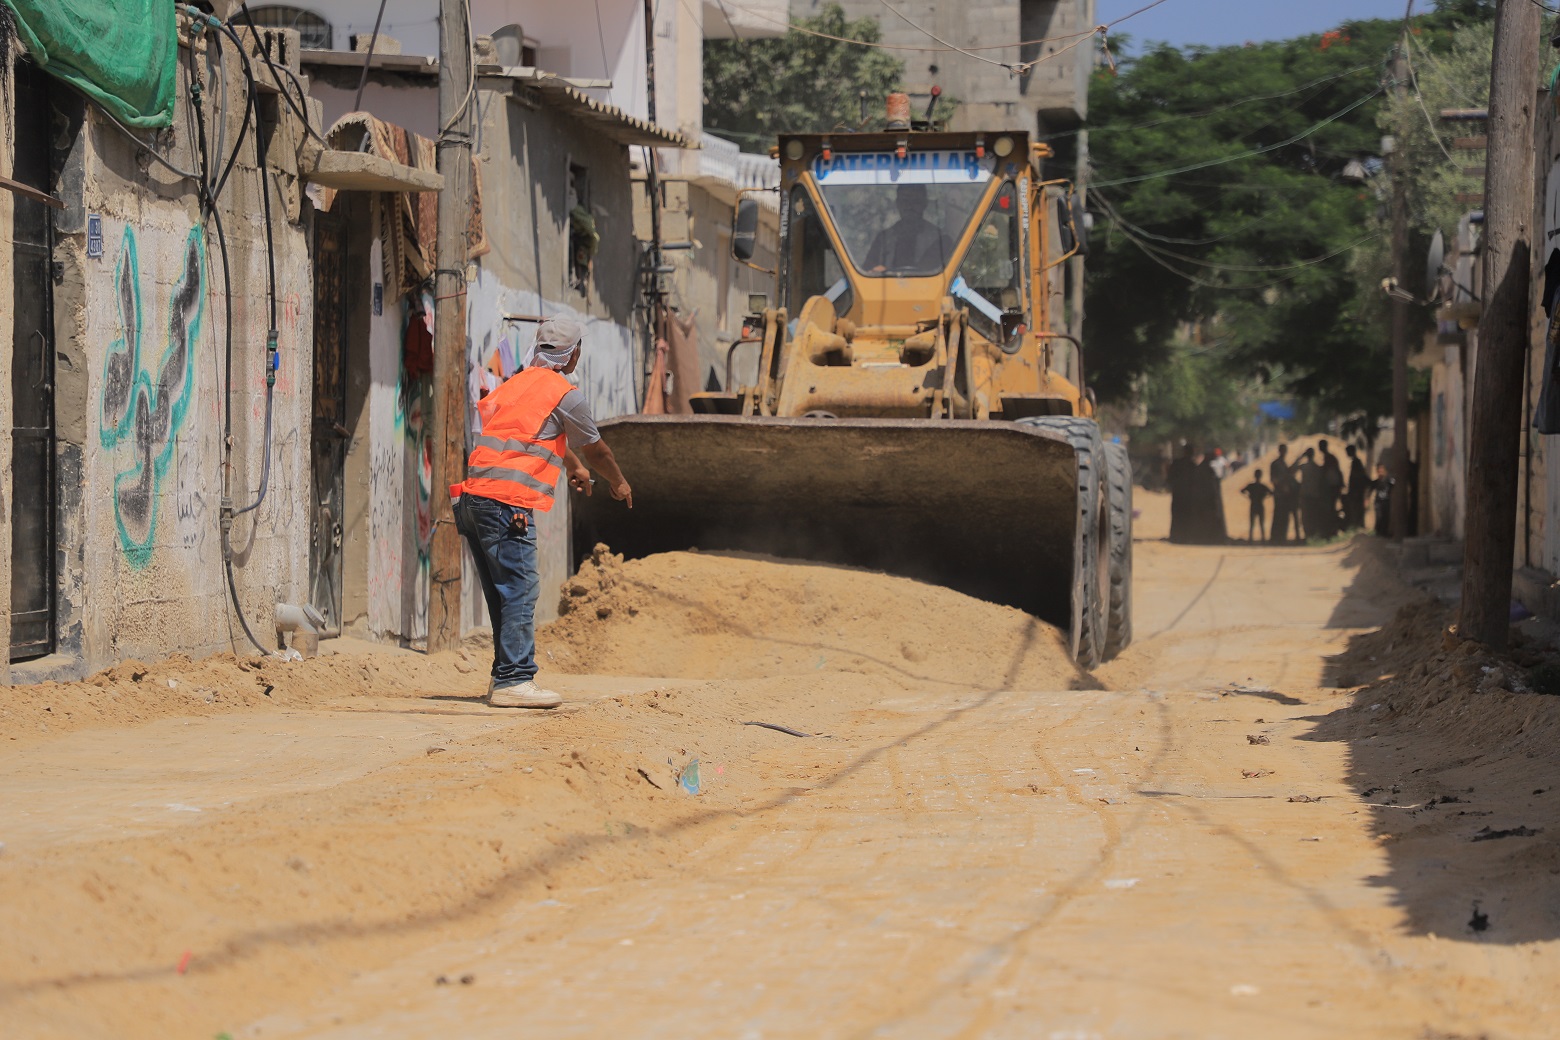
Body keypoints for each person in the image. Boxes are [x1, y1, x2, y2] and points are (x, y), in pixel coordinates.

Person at [451, 317, 633, 709]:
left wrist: (570, 466)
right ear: (574, 353)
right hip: (507, 503)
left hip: (473, 499)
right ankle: (515, 679)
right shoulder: (565, 393)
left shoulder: (516, 383)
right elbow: (597, 450)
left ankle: (504, 676)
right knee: (520, 589)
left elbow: (530, 433)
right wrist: (618, 482)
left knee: (504, 593)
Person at [864, 184, 954, 275]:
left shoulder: (941, 241)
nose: (910, 206)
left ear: (924, 203)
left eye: (916, 201)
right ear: (897, 203)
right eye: (905, 201)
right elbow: (867, 271)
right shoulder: (883, 239)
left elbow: (941, 273)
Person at [1167, 442, 1198, 543]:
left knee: (1178, 516)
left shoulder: (1177, 463)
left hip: (1179, 495)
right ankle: (1185, 536)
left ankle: (1176, 536)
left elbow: (1170, 478)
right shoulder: (1192, 465)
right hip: (1187, 496)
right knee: (1186, 516)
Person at [1296, 448, 1325, 542]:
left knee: (1306, 517)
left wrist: (1300, 457)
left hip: (1305, 495)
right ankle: (1313, 536)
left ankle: (1308, 536)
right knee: (1313, 516)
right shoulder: (1317, 467)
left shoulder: (1304, 466)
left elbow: (1291, 470)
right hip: (1315, 495)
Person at [1269, 443, 1296, 544]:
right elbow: (1274, 479)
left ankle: (1281, 537)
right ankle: (1276, 537)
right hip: (1279, 494)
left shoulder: (1282, 463)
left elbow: (1288, 473)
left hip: (1284, 494)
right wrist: (1281, 486)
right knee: (1278, 515)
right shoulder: (1276, 464)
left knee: (1284, 516)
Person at [1241, 468, 1272, 542]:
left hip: (1254, 504)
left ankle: (1251, 538)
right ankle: (1262, 538)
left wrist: (1248, 496)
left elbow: (1242, 491)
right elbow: (1271, 493)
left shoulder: (1251, 486)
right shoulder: (1262, 486)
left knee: (1252, 523)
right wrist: (1264, 496)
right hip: (1260, 505)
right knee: (1261, 523)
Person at [1344, 444, 1369, 529]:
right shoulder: (1355, 462)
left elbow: (1359, 477)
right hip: (1356, 490)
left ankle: (1359, 526)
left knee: (1357, 509)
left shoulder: (1356, 462)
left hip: (1357, 491)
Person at [1373, 463, 1395, 536]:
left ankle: (1384, 533)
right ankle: (1378, 532)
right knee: (1379, 517)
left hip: (1386, 501)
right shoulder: (1377, 481)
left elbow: (1393, 483)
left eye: (1381, 469)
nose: (1380, 470)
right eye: (1379, 469)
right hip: (1378, 501)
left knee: (1385, 517)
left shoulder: (1388, 480)